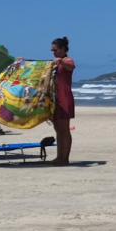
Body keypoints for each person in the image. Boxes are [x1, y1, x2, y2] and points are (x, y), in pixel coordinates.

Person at [50, 36, 76, 165]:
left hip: (64, 99)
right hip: (56, 99)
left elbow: (71, 65)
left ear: (63, 49)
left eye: (55, 50)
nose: (53, 52)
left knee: (64, 129)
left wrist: (60, 61)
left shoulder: (67, 60)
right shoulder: (58, 62)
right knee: (58, 129)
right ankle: (60, 156)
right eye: (52, 50)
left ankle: (64, 158)